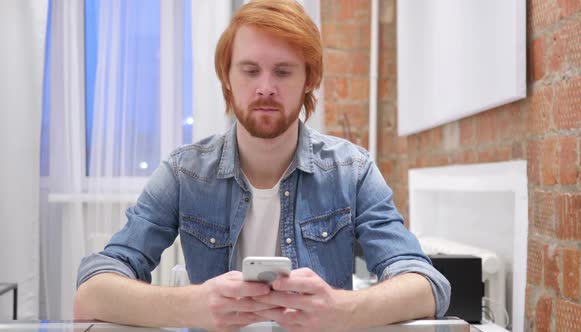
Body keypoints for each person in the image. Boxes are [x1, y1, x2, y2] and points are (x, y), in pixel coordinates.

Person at [74, 1, 450, 331]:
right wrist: (194, 306)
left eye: (283, 72)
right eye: (250, 70)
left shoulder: (351, 170)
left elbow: (426, 286)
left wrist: (341, 311)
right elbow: (91, 293)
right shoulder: (183, 173)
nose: (266, 87)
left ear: (309, 80)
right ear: (227, 78)